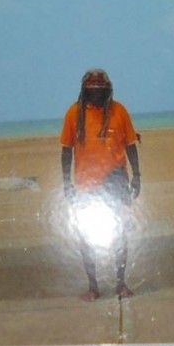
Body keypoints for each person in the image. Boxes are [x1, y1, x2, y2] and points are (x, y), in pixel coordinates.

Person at [60, 68, 141, 301]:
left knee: (119, 235)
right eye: (91, 89)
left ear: (108, 89)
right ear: (84, 90)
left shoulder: (119, 111)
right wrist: (67, 183)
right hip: (85, 186)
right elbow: (66, 150)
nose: (96, 93)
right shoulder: (74, 114)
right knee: (86, 238)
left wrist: (137, 175)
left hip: (116, 181)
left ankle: (121, 283)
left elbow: (130, 145)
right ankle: (93, 287)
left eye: (100, 89)